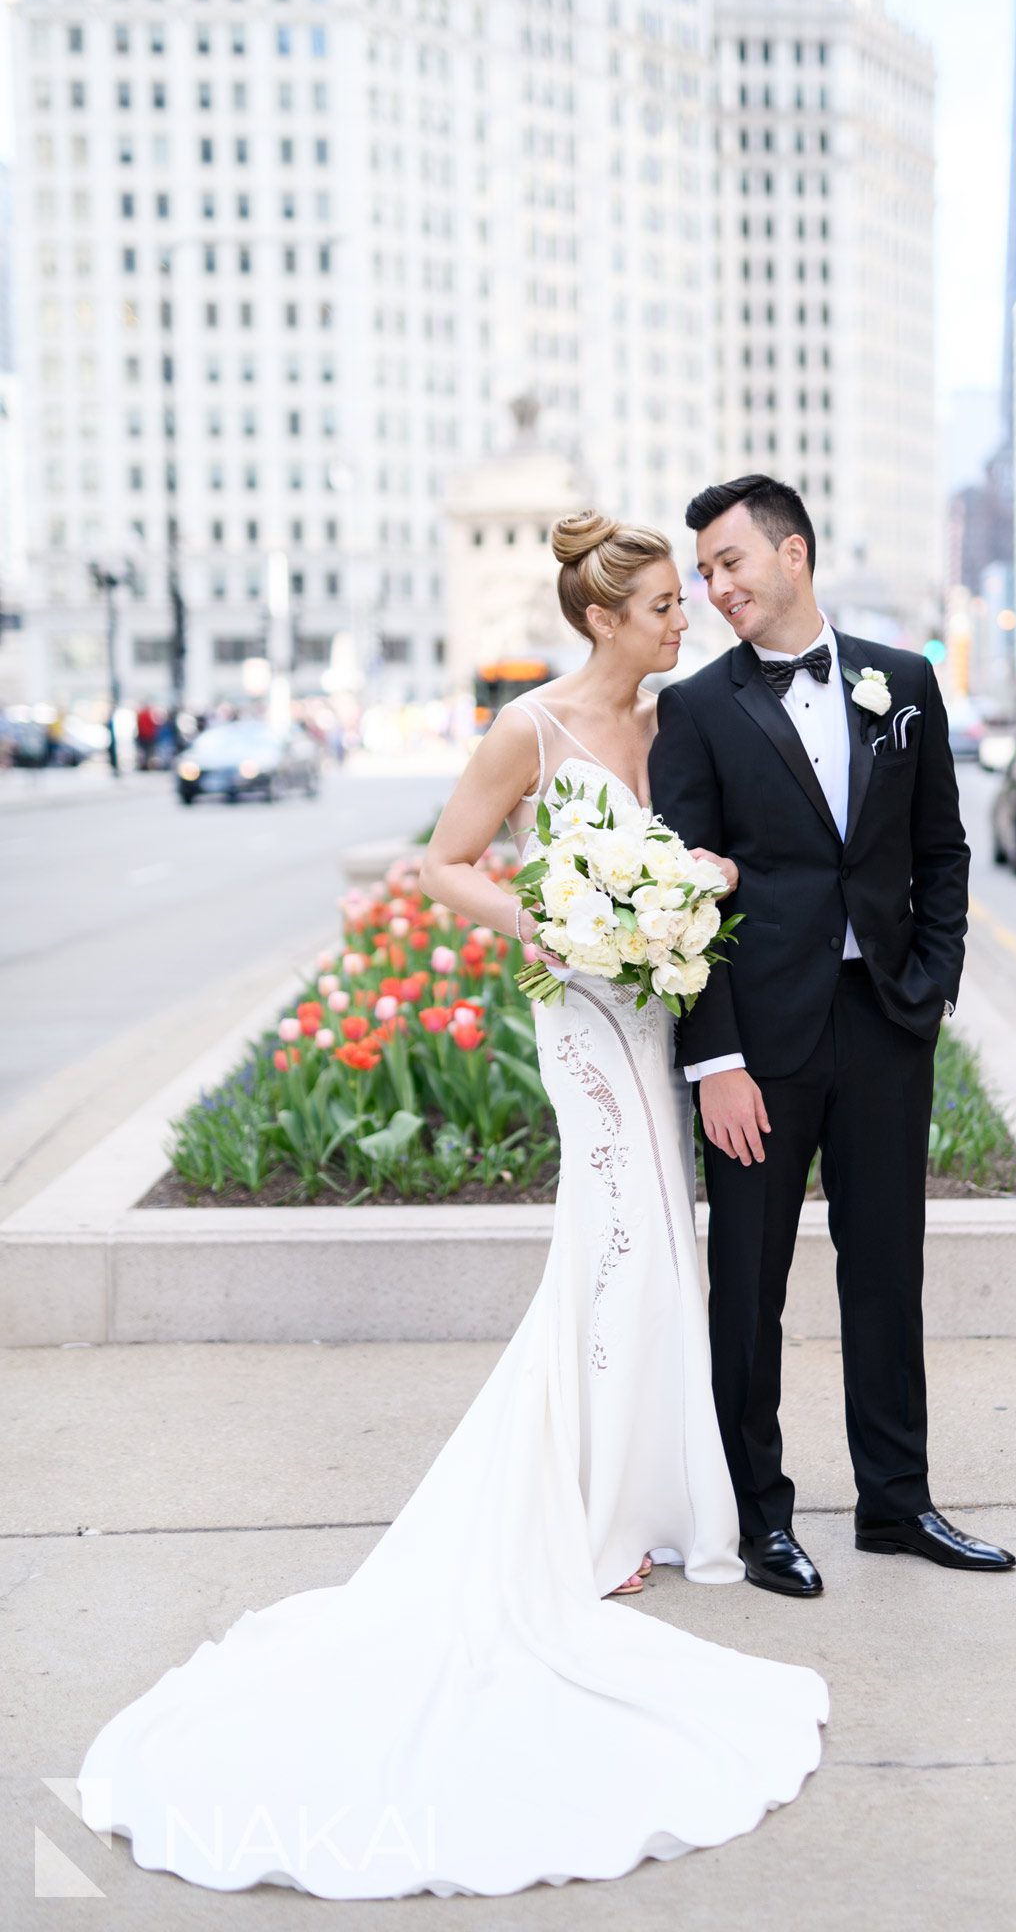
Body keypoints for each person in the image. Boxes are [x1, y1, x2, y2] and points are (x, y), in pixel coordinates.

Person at [74, 511, 827, 1901]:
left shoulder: (679, 725)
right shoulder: (526, 736)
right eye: (663, 604)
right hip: (581, 1023)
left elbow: (701, 857)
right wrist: (546, 927)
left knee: (657, 1251)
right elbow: (443, 865)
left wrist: (691, 892)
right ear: (603, 617)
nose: (683, 620)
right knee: (608, 1243)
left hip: (654, 1016)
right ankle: (591, 1528)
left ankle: (644, 1500)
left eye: (684, 601)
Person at [648, 474, 1016, 1599]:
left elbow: (940, 848)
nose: (713, 588)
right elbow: (677, 898)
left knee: (885, 1272)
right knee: (747, 1287)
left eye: (727, 563)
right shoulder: (699, 709)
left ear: (792, 553)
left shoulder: (899, 682)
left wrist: (929, 983)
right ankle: (760, 1516)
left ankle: (894, 1503)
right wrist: (713, 1058)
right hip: (757, 1048)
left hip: (883, 1027)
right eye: (703, 572)